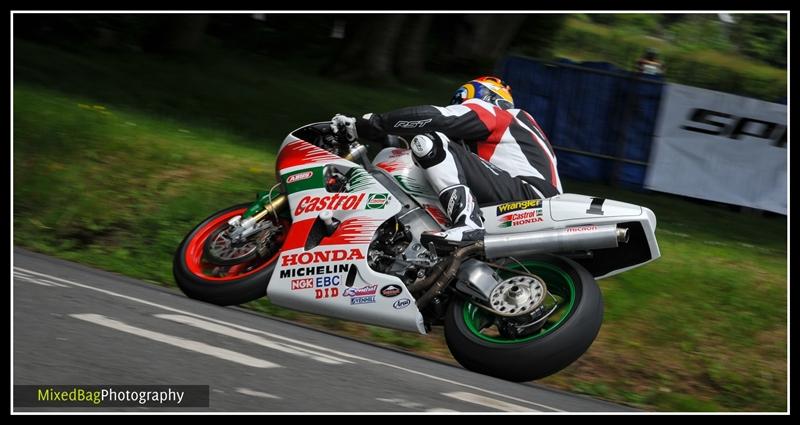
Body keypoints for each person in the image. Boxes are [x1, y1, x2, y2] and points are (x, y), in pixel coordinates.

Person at [330, 76, 563, 244]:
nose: (458, 107)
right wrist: (385, 137)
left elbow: (439, 119)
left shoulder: (498, 114)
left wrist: (370, 124)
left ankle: (468, 224)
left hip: (528, 193)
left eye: (460, 102)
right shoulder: (516, 132)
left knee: (430, 140)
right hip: (527, 194)